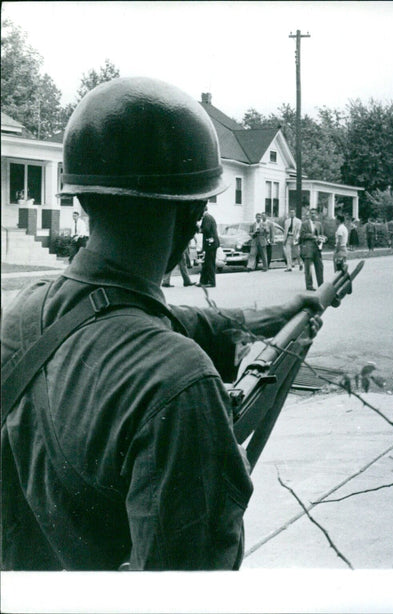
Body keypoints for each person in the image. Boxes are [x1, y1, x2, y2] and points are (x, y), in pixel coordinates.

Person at [0, 76, 321, 570]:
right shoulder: (177, 381)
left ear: (83, 199)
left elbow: (181, 321)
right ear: (194, 217)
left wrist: (285, 314)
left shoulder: (21, 318)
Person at [299, 209, 324, 291]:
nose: (313, 215)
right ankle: (309, 285)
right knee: (308, 267)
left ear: (317, 215)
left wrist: (323, 239)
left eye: (314, 214)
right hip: (308, 247)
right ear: (309, 215)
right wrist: (312, 236)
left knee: (319, 266)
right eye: (311, 213)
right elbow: (302, 235)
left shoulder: (319, 224)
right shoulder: (304, 224)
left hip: (317, 248)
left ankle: (321, 284)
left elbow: (321, 234)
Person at [199, 204, 219, 287]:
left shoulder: (206, 218)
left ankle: (211, 282)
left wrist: (199, 229)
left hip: (210, 244)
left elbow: (206, 229)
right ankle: (203, 281)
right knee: (206, 263)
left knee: (210, 263)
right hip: (211, 244)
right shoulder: (209, 217)